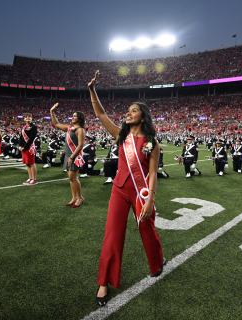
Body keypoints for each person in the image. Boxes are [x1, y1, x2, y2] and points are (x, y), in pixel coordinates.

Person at [89, 71, 165, 307]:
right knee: (112, 234)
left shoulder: (152, 142)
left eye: (133, 110)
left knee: (146, 229)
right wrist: (92, 90)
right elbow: (101, 114)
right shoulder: (120, 136)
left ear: (143, 117)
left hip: (142, 192)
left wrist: (151, 199)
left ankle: (157, 262)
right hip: (120, 190)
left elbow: (152, 173)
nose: (128, 113)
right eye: (128, 110)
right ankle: (104, 282)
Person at [50, 103, 85, 207]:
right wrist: (52, 111)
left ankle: (80, 198)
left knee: (73, 177)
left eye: (75, 116)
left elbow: (80, 145)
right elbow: (56, 124)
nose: (72, 117)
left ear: (80, 118)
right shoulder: (69, 128)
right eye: (73, 116)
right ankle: (74, 197)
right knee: (70, 178)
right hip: (68, 155)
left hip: (74, 156)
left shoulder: (80, 130)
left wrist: (71, 158)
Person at [19, 113, 38, 185]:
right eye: (26, 117)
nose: (28, 118)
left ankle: (34, 179)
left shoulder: (33, 127)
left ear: (31, 118)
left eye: (29, 117)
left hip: (29, 147)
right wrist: (20, 146)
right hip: (23, 148)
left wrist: (25, 147)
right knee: (27, 164)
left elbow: (32, 138)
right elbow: (21, 137)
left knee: (32, 163)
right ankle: (30, 178)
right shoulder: (24, 127)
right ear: (24, 119)